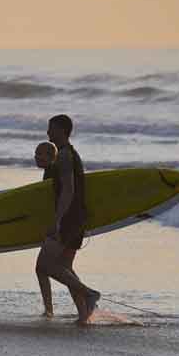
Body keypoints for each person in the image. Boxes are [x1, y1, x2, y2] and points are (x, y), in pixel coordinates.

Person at [35, 114, 100, 325]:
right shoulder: (62, 155)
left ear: (62, 131)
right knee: (64, 266)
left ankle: (89, 294)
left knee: (45, 265)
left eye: (51, 129)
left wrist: (57, 220)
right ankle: (84, 315)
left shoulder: (65, 156)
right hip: (75, 217)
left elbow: (68, 191)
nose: (47, 133)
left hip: (69, 218)